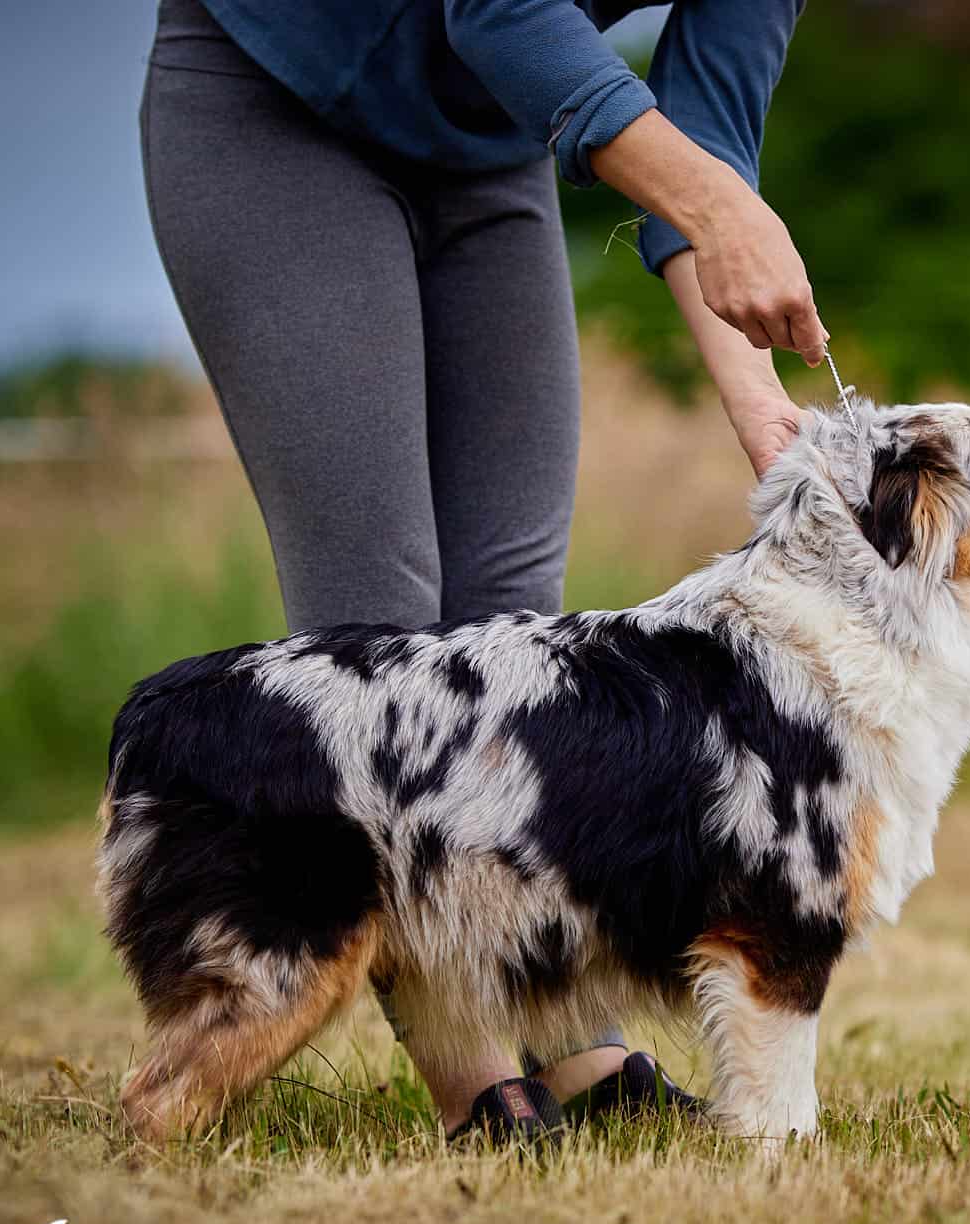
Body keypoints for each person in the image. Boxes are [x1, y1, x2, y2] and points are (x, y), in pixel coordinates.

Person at [139, 0, 825, 1141]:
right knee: (380, 628)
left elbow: (708, 147)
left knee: (520, 636)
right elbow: (500, 10)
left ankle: (571, 1050)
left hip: (488, 143)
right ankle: (475, 1083)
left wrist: (756, 401)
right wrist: (713, 203)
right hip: (279, 100)